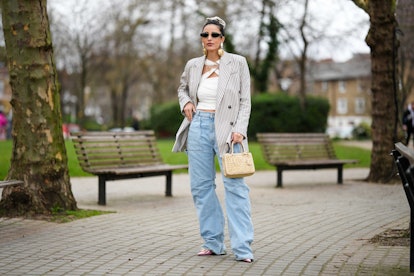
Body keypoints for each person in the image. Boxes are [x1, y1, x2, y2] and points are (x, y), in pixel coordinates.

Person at [172, 16, 254, 263]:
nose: (209, 38)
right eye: (205, 34)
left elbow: (245, 101)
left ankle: (243, 248)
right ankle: (213, 242)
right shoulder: (193, 65)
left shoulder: (237, 63)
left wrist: (240, 129)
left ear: (223, 38)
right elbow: (182, 88)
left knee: (236, 188)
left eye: (214, 35)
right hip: (198, 126)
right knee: (201, 188)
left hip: (228, 130)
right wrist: (185, 102)